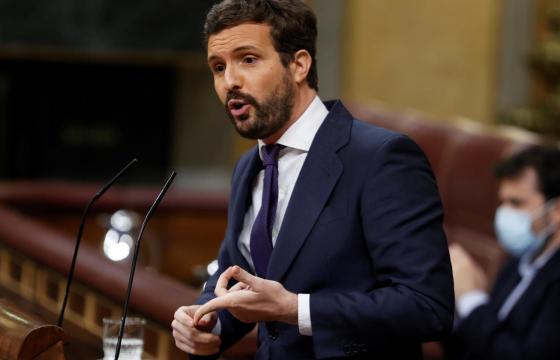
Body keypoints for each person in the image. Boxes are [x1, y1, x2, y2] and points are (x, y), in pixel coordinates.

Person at [171, 0, 454, 358]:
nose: (230, 82)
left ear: (299, 64)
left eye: (248, 59)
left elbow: (427, 306)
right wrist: (208, 322)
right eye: (218, 67)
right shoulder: (249, 167)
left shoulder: (381, 158)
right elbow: (235, 277)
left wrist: (295, 309)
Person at [446, 146, 560, 360]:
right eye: (503, 202)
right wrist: (451, 304)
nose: (505, 213)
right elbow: (479, 344)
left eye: (516, 203)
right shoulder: (519, 260)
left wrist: (472, 300)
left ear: (556, 210)